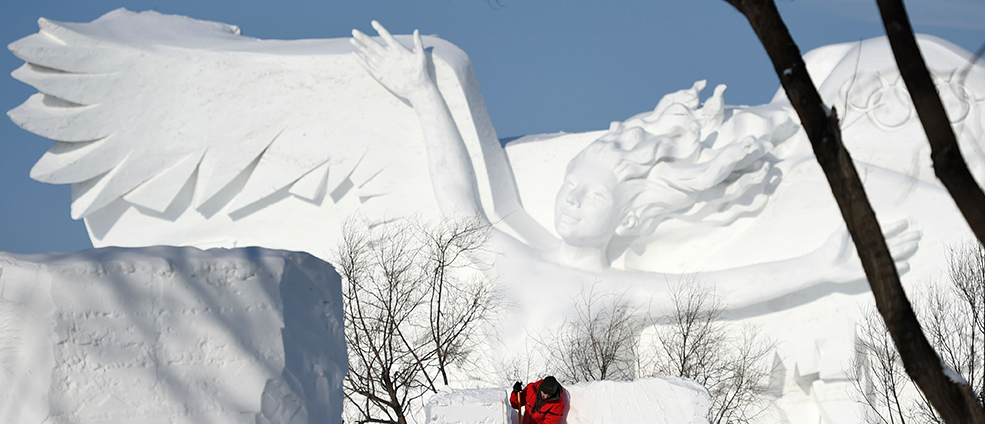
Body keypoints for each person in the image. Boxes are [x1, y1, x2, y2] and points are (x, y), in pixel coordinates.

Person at [349, 22, 920, 313]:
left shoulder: (613, 292)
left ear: (626, 218)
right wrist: (423, 93)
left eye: (591, 196)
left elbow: (715, 291)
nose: (570, 199)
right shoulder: (510, 257)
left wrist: (817, 266)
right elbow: (458, 201)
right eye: (571, 186)